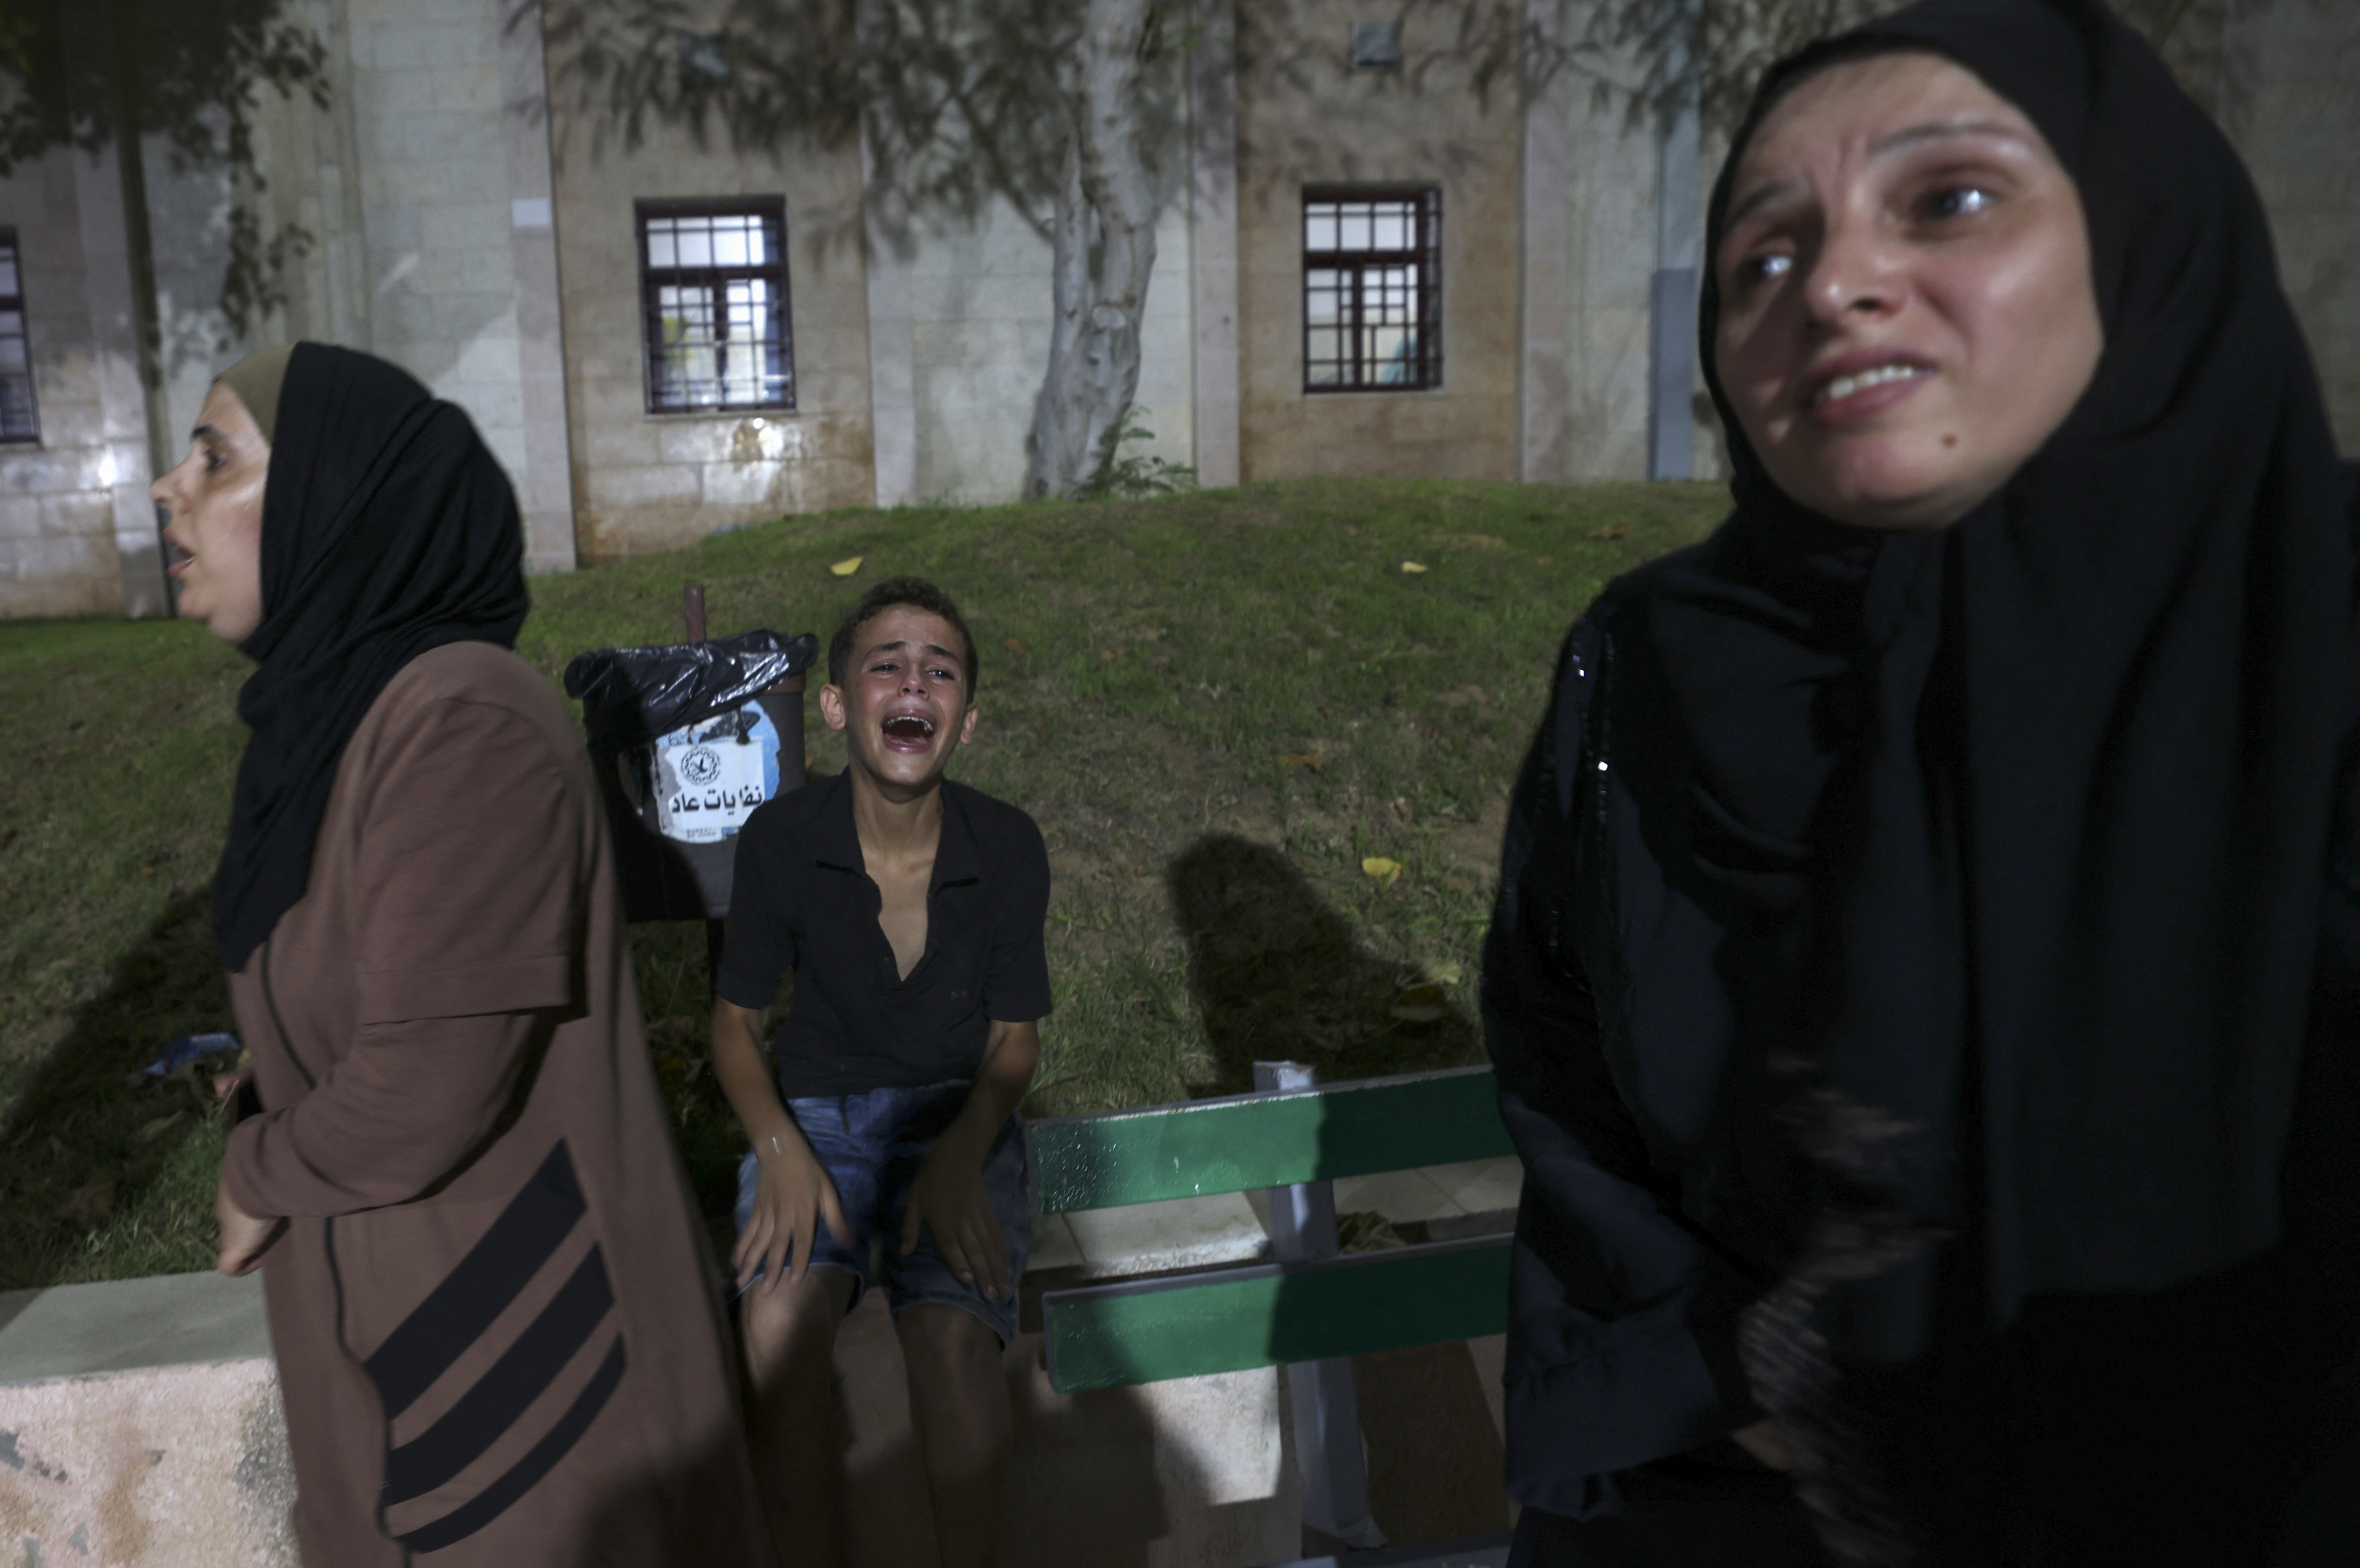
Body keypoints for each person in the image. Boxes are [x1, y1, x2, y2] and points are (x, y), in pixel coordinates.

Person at [1481, 2, 2360, 1564]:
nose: (1829, 284)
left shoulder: (2315, 616)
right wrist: (1733, 1377)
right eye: (1761, 258)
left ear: (2137, 237)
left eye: (1945, 198)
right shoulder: (1648, 663)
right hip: (1735, 1498)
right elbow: (1563, 1073)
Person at [162, 342, 769, 1566]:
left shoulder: (463, 725)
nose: (171, 487)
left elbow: (423, 1090)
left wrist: (254, 1171)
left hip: (529, 1415)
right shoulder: (337, 739)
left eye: (215, 455)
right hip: (410, 1394)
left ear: (339, 495)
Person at [710, 577, 1052, 1568]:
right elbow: (733, 1024)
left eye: (939, 670)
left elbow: (1014, 1041)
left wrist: (961, 1155)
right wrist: (777, 1147)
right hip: (814, 1120)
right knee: (775, 1330)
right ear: (836, 704)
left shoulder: (1008, 845)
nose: (914, 683)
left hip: (956, 1116)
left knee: (950, 1341)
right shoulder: (781, 839)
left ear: (967, 720)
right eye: (887, 664)